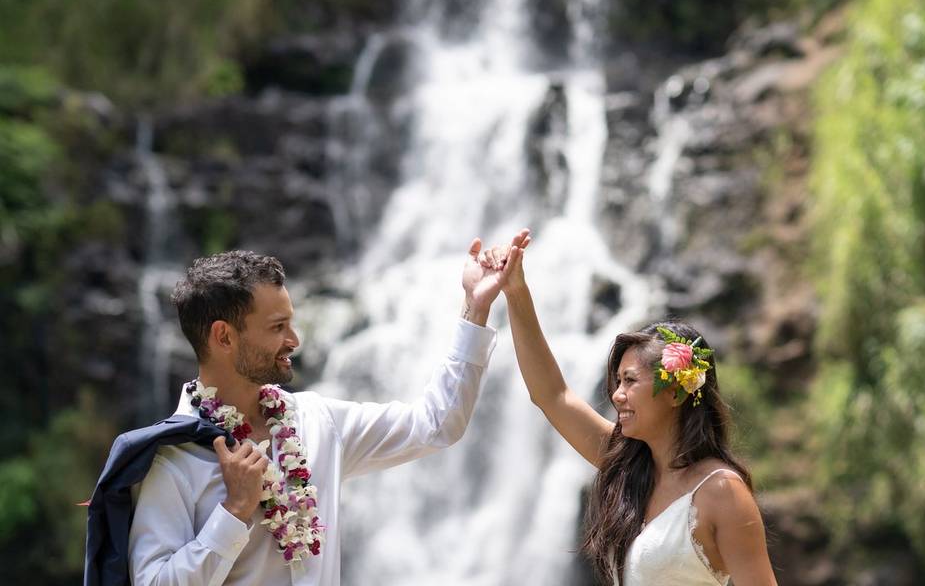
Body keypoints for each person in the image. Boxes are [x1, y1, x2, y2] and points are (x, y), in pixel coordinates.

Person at [121, 233, 523, 586]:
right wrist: (234, 511)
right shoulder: (170, 457)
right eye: (277, 327)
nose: (294, 339)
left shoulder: (318, 421)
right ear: (224, 336)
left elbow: (436, 424)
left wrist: (475, 307)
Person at [487, 229, 778, 586]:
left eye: (630, 381)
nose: (617, 395)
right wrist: (516, 292)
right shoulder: (629, 469)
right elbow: (551, 394)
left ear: (677, 392)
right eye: (618, 382)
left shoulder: (722, 491)